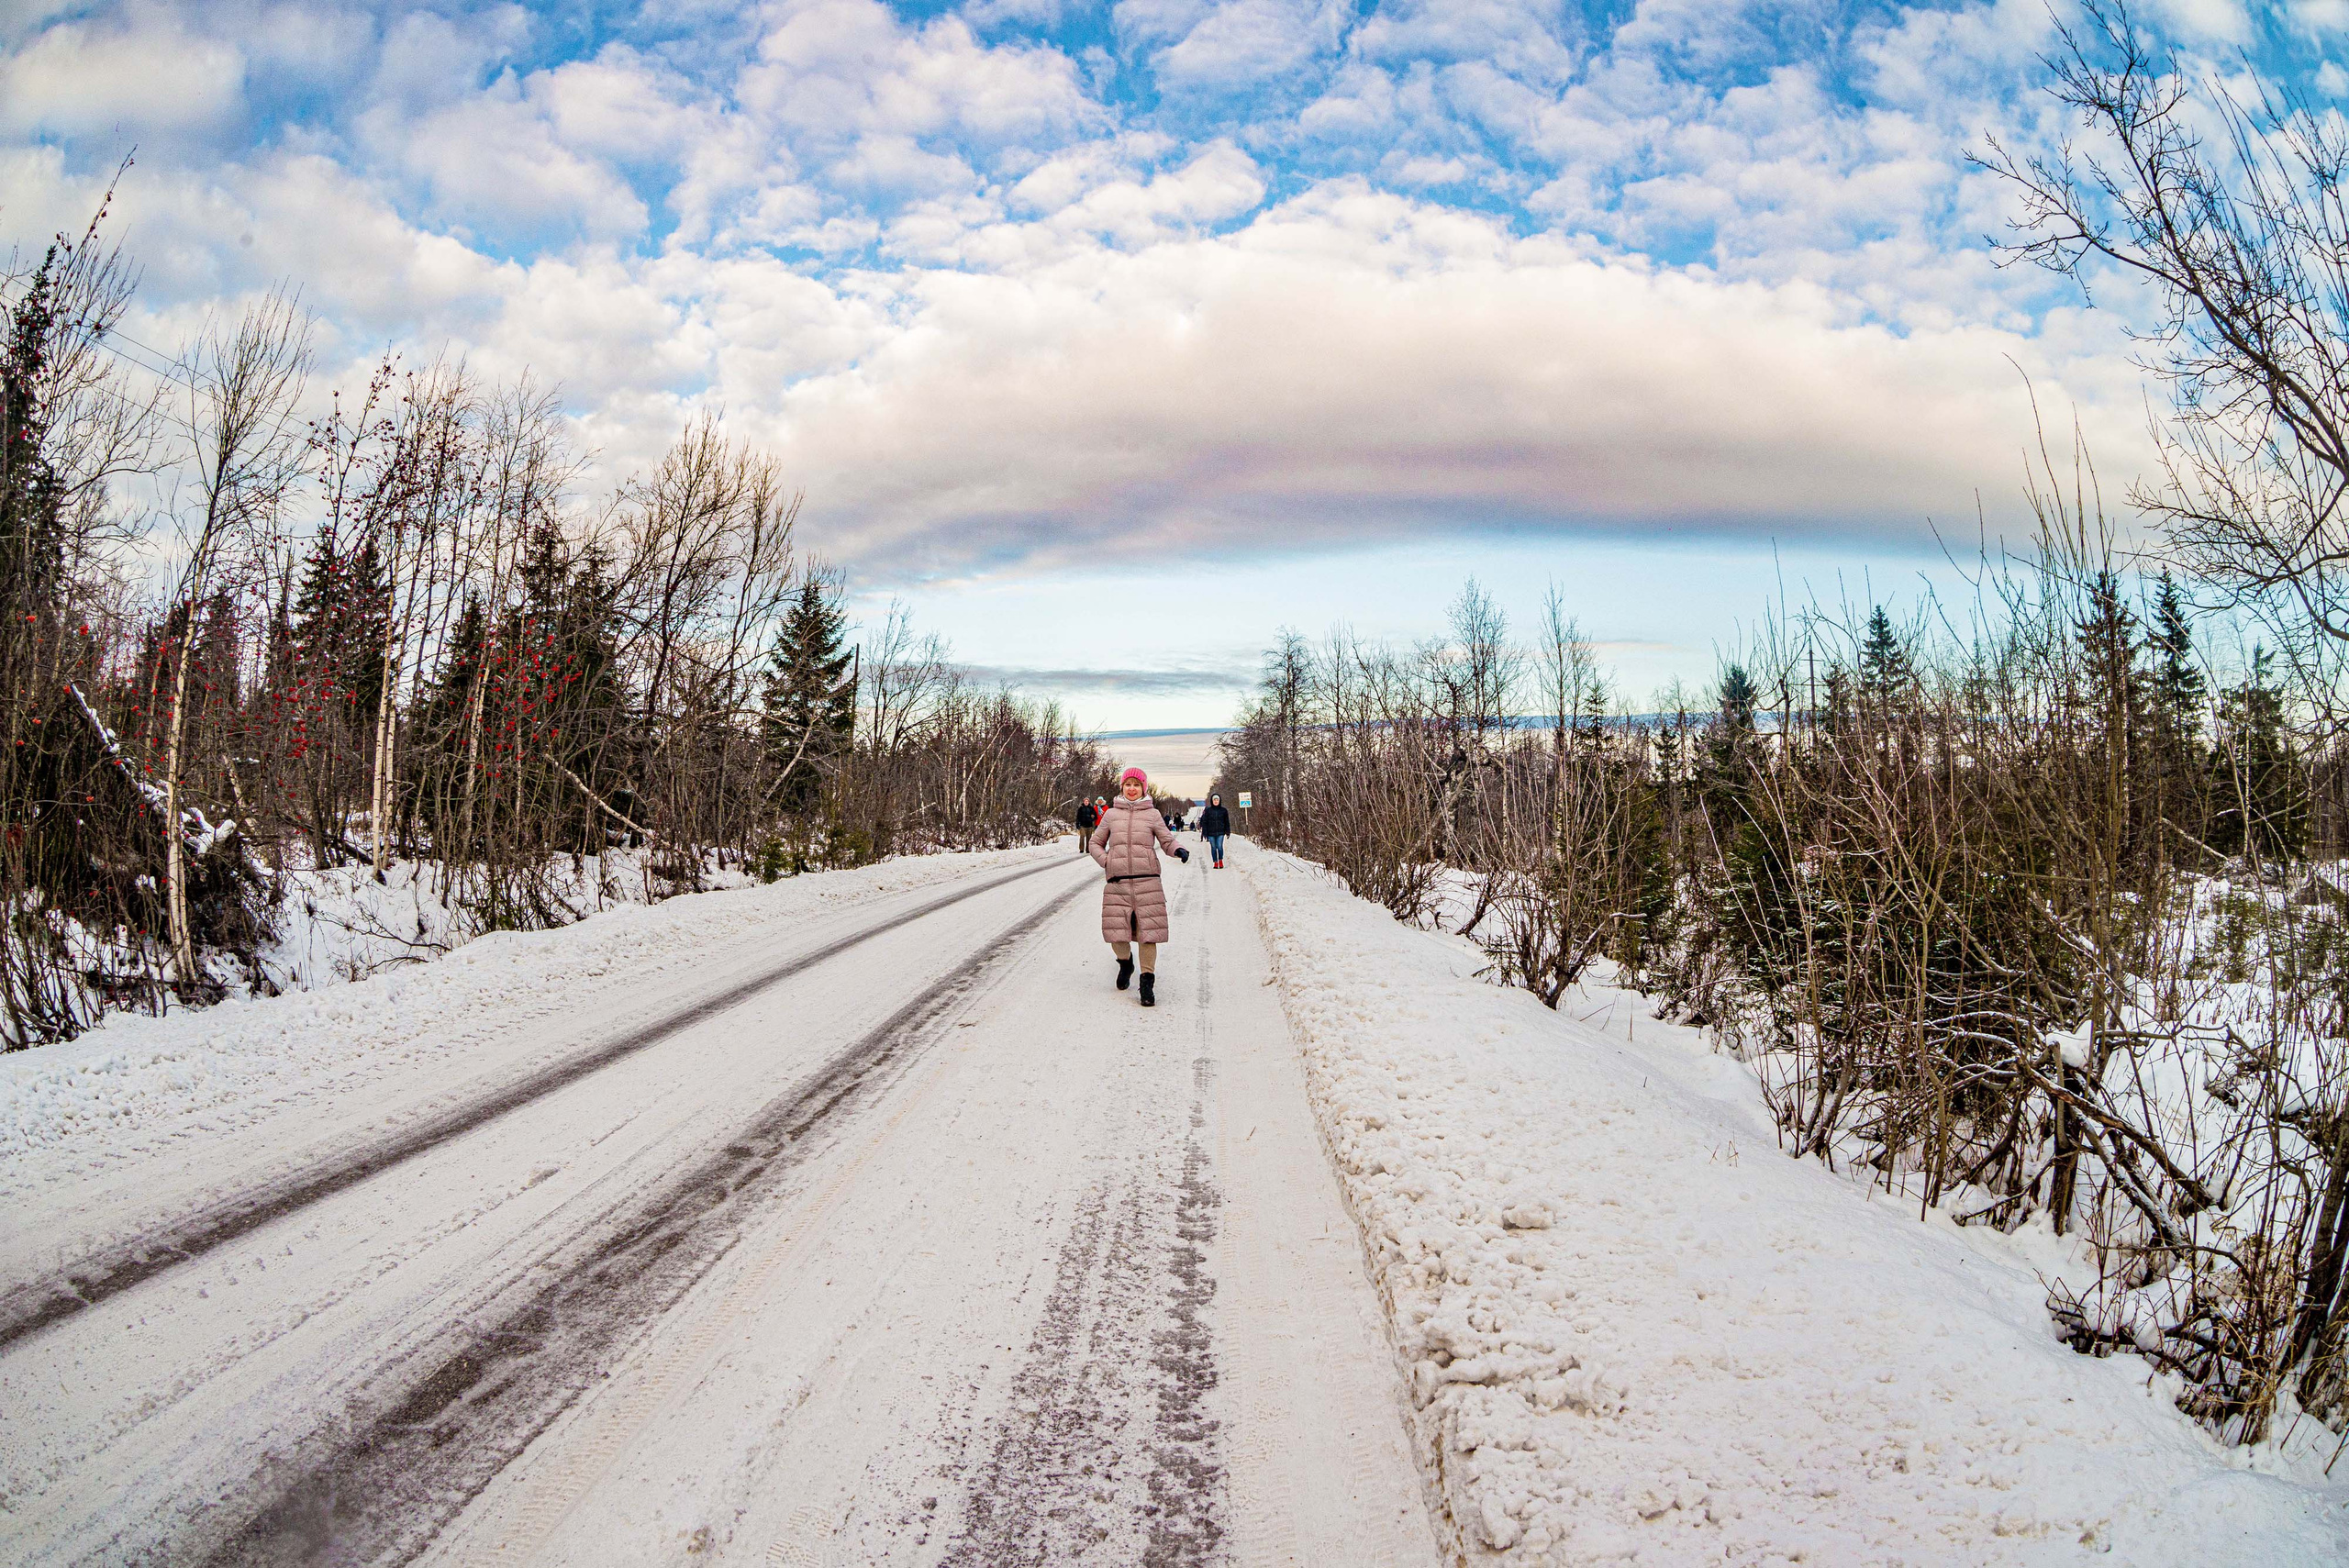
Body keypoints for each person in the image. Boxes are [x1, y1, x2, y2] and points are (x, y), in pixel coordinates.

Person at [1088, 766, 1188, 1006]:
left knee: (1148, 934)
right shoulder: (1111, 815)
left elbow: (1166, 840)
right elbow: (1095, 843)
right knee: (1117, 935)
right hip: (1118, 883)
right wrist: (1107, 861)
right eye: (1128, 784)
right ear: (1122, 787)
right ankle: (1125, 963)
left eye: (1136, 785)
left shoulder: (1153, 815)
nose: (1132, 789)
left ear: (1143, 788)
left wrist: (1178, 850)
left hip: (1147, 882)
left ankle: (1147, 983)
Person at [1197, 793, 1230, 869]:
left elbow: (1226, 821)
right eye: (1214, 800)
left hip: (1221, 832)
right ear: (1212, 801)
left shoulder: (1224, 810)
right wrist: (1205, 832)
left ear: (1219, 801)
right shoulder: (1208, 811)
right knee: (1213, 847)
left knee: (1219, 847)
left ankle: (1220, 860)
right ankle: (1215, 862)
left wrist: (1227, 831)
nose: (1216, 801)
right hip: (1211, 833)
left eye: (1217, 800)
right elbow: (1205, 822)